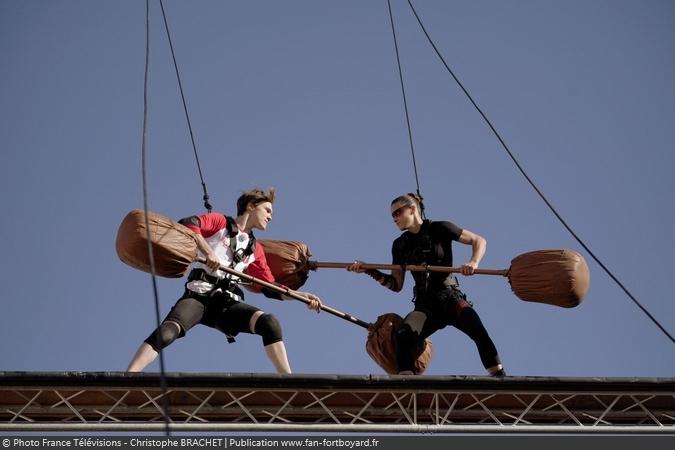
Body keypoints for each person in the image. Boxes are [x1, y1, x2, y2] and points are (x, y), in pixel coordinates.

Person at [127, 188, 322, 373]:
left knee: (270, 323)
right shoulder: (219, 222)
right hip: (198, 296)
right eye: (267, 210)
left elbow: (269, 287)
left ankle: (288, 381)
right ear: (251, 206)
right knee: (167, 333)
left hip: (226, 305)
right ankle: (130, 375)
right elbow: (188, 223)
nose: (270, 216)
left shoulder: (255, 250)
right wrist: (208, 251)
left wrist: (300, 296)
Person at [347, 193, 505, 377]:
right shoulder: (400, 245)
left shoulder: (441, 228)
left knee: (477, 329)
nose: (394, 219)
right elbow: (395, 284)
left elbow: (479, 240)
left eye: (398, 212)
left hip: (450, 297)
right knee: (403, 334)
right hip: (426, 306)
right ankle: (406, 383)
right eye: (392, 216)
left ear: (412, 209)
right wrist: (368, 270)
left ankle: (499, 376)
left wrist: (473, 262)